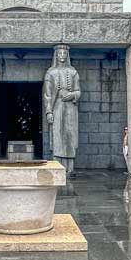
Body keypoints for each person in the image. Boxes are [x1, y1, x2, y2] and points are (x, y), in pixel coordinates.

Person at [43, 44, 81, 175]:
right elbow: (47, 95)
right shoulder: (50, 73)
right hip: (57, 106)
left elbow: (78, 91)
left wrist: (72, 95)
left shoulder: (73, 72)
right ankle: (57, 166)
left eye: (64, 53)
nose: (62, 56)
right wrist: (48, 111)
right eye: (60, 53)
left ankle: (70, 168)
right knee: (58, 135)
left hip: (70, 107)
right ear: (56, 55)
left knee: (70, 135)